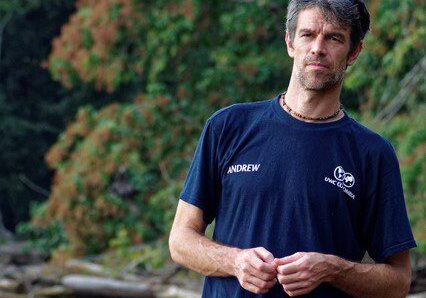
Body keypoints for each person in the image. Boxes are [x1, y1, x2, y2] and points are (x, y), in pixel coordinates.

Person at [168, 0, 417, 297]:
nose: (318, 48)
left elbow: (399, 281)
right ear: (290, 42)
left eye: (334, 38)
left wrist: (333, 269)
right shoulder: (228, 127)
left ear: (354, 52)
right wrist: (234, 261)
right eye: (308, 35)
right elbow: (180, 241)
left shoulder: (372, 154)